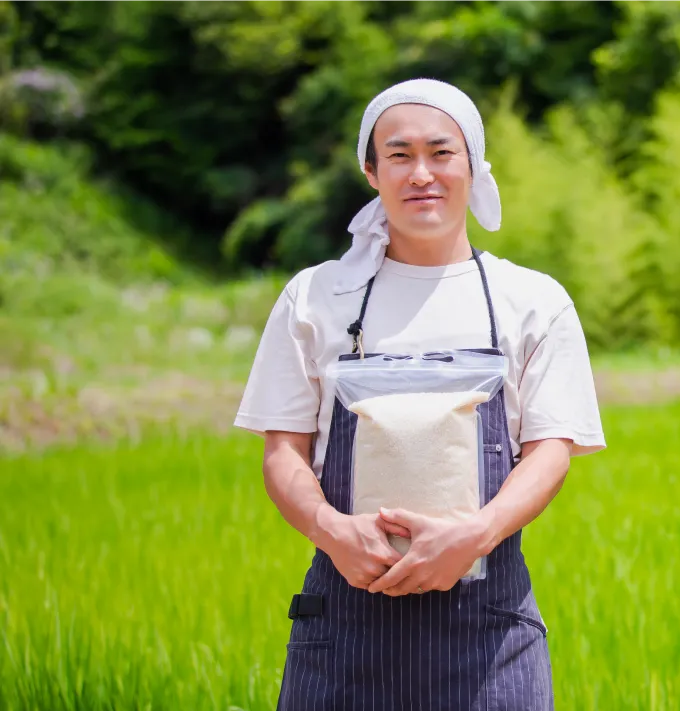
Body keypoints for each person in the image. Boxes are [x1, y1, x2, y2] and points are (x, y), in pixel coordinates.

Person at [234, 78, 606, 711]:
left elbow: (550, 452)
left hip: (490, 640)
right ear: (371, 171)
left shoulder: (533, 301)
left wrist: (476, 534)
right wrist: (332, 531)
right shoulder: (317, 296)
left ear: (473, 165)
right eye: (399, 155)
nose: (422, 174)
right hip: (343, 636)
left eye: (442, 153)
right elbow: (283, 452)